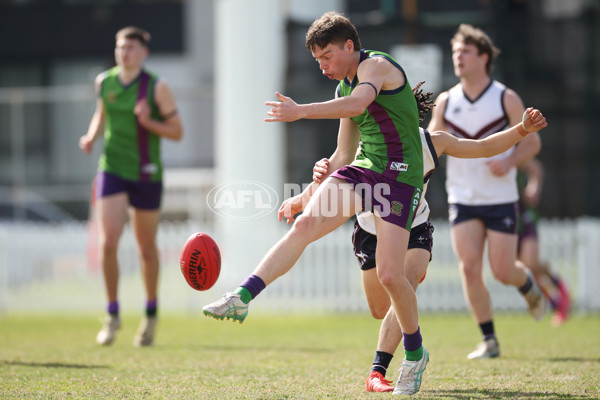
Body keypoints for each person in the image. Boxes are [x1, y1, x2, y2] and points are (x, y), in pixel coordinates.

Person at [203, 11, 429, 395]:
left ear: (349, 46)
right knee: (304, 225)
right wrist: (305, 197)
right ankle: (242, 296)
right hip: (364, 169)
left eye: (327, 56)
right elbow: (342, 154)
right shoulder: (343, 88)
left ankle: (415, 353)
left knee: (391, 277)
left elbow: (360, 104)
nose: (323, 66)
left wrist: (301, 111)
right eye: (317, 60)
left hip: (399, 177)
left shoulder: (376, 66)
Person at [312, 86, 548, 392]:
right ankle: (396, 347)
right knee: (380, 308)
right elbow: (337, 162)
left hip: (413, 227)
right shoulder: (366, 141)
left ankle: (379, 371)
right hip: (370, 231)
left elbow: (483, 147)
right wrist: (322, 171)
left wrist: (522, 129)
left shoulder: (431, 142)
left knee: (403, 283)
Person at [427, 24, 545, 360]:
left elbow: (532, 142)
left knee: (503, 270)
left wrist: (509, 162)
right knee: (469, 268)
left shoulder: (505, 97)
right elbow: (433, 146)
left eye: (464, 52)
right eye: (455, 53)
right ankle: (489, 340)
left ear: (483, 57)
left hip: (500, 199)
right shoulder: (446, 101)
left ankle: (527, 285)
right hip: (462, 197)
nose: (458, 58)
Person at [79, 26, 183, 347]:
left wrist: (148, 121)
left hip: (146, 173)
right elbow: (101, 114)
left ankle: (150, 315)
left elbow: (177, 131)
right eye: (120, 47)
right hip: (112, 170)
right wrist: (91, 136)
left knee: (146, 249)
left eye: (131, 48)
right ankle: (112, 315)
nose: (124, 53)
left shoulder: (156, 87)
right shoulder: (105, 82)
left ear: (143, 53)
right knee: (108, 242)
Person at [517, 158, 571, 325]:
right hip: (501, 219)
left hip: (523, 215)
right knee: (524, 269)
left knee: (531, 262)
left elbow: (535, 167)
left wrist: (534, 187)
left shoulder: (506, 150)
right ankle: (556, 304)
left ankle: (561, 288)